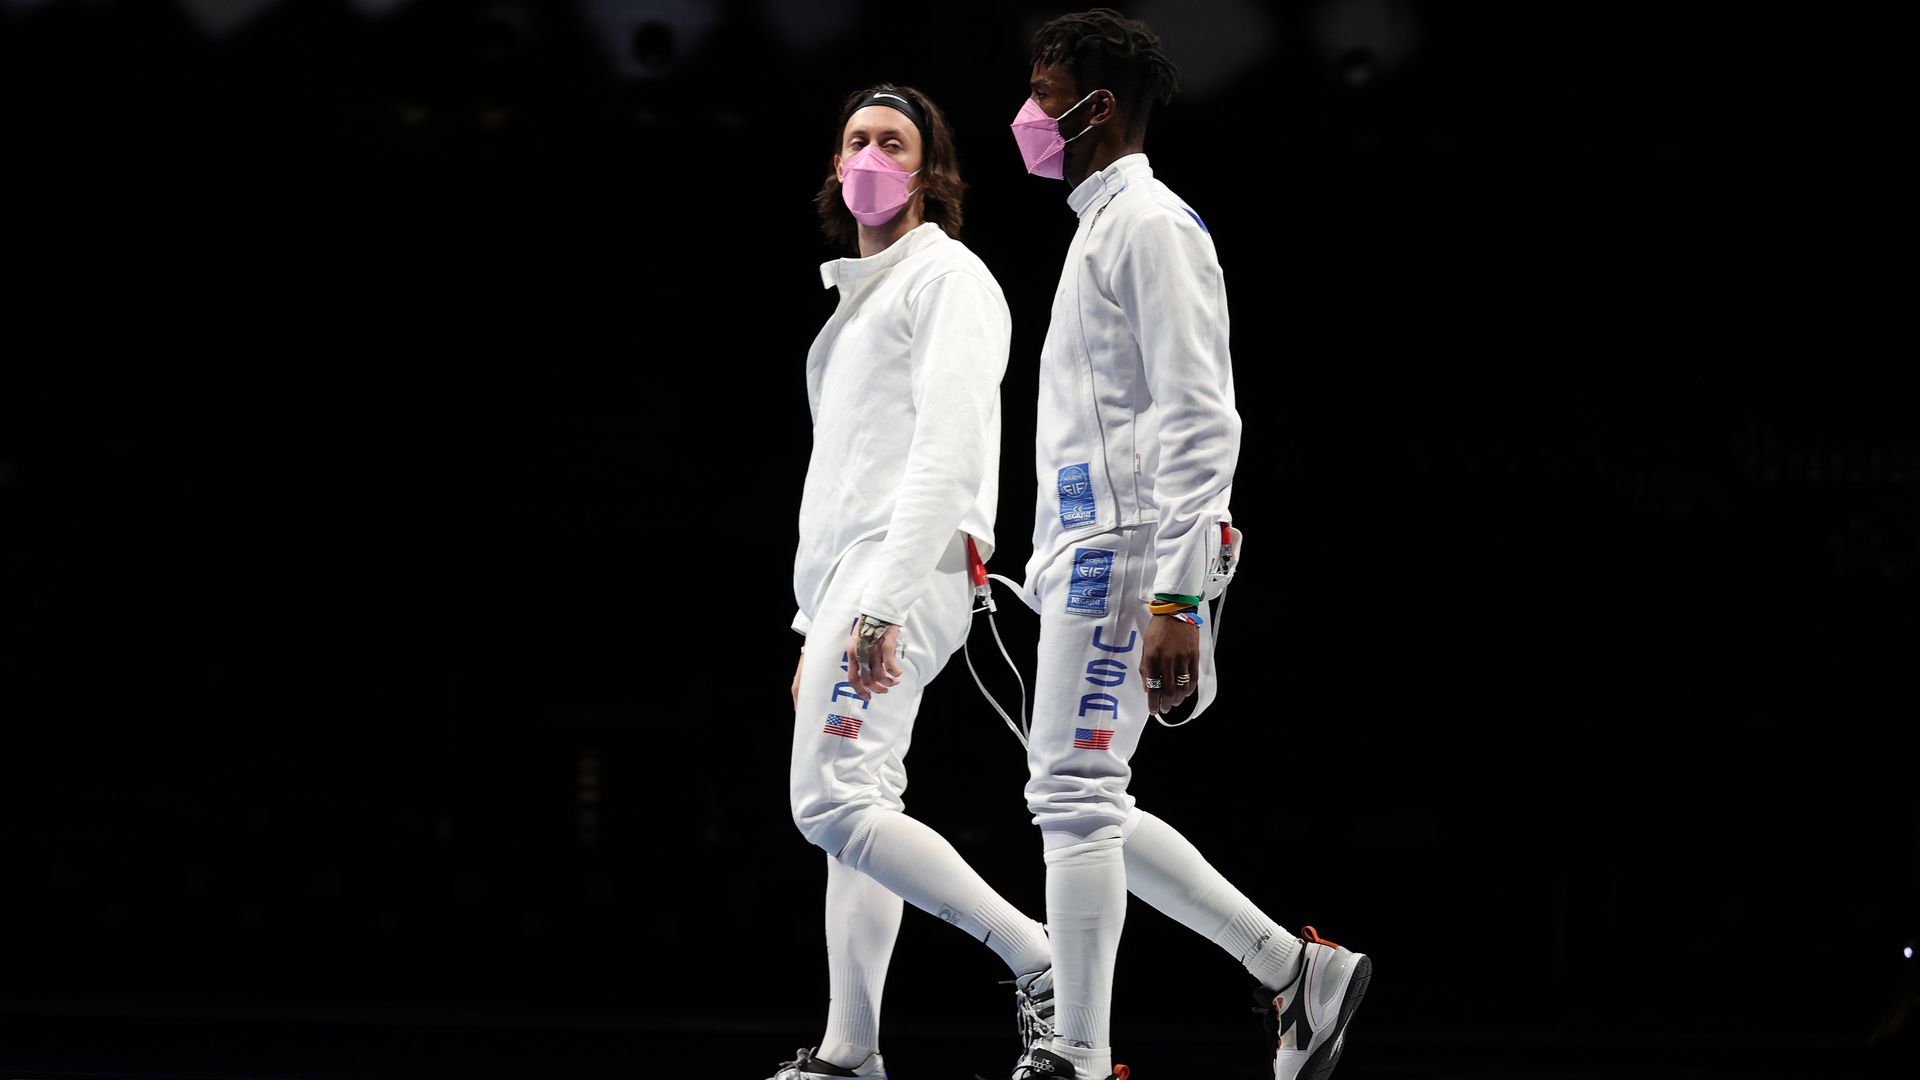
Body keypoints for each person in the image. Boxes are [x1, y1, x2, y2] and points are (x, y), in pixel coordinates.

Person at [1005, 12, 1370, 1080]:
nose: (1028, 115)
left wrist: (1178, 597)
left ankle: (1076, 1055)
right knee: (1084, 796)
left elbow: (1202, 416)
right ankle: (1293, 972)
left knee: (1073, 795)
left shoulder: (1152, 224)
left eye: (1043, 91)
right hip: (1095, 552)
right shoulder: (1100, 227)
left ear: (1098, 107)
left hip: (1129, 556)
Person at [775, 83, 1054, 1080]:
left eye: (891, 141)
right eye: (854, 138)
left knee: (830, 802)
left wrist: (880, 604)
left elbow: (944, 451)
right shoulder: (860, 305)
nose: (868, 155)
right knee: (858, 808)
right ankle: (850, 1051)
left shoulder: (950, 281)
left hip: (911, 561)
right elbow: (842, 485)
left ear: (930, 171)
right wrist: (818, 625)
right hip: (858, 573)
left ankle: (1038, 956)